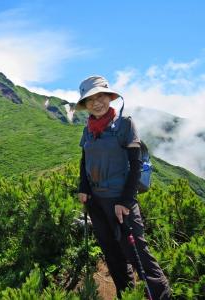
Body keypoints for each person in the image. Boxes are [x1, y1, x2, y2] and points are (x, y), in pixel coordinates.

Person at [76, 75, 171, 299]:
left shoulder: (125, 124)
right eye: (90, 100)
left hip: (121, 201)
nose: (96, 103)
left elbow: (136, 164)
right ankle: (126, 294)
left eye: (100, 97)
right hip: (96, 202)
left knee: (138, 254)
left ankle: (161, 295)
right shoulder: (88, 130)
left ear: (110, 97)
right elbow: (84, 160)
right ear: (85, 104)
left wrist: (126, 201)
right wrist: (83, 188)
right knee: (112, 254)